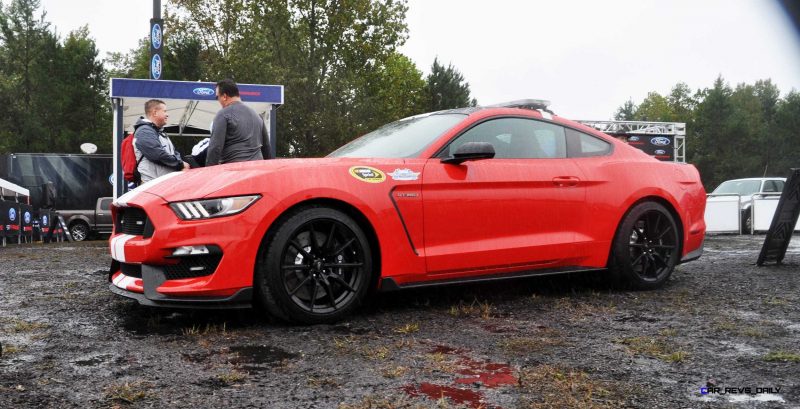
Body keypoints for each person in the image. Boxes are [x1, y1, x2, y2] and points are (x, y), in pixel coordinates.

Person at [206, 79, 270, 166]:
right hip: (257, 171)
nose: (218, 100)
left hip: (234, 172)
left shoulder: (223, 114)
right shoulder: (258, 117)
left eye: (217, 97)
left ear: (224, 96)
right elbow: (267, 149)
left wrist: (209, 174)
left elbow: (215, 148)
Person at [133, 99, 189, 183]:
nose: (167, 115)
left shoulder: (158, 131)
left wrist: (181, 163)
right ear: (155, 113)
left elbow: (173, 153)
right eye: (164, 111)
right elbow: (157, 154)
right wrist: (180, 164)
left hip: (162, 183)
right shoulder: (144, 131)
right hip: (152, 185)